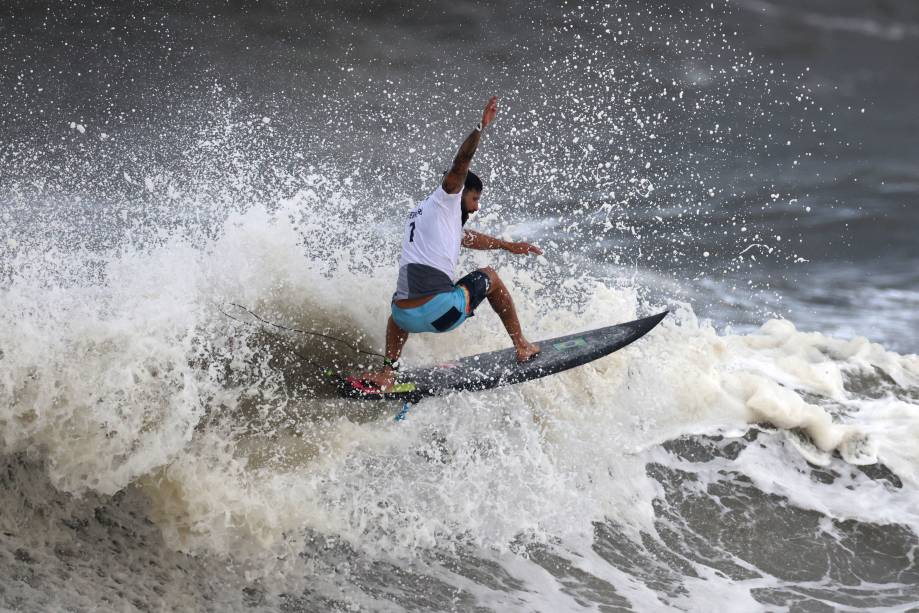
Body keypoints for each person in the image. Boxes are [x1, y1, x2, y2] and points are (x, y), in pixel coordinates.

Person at [361, 96, 543, 391]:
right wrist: (480, 128)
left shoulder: (424, 214)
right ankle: (522, 345)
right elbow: (461, 163)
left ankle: (388, 373)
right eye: (475, 199)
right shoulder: (448, 195)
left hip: (405, 317)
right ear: (461, 192)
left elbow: (466, 238)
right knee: (491, 278)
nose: (476, 207)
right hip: (442, 313)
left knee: (399, 304)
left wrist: (506, 245)